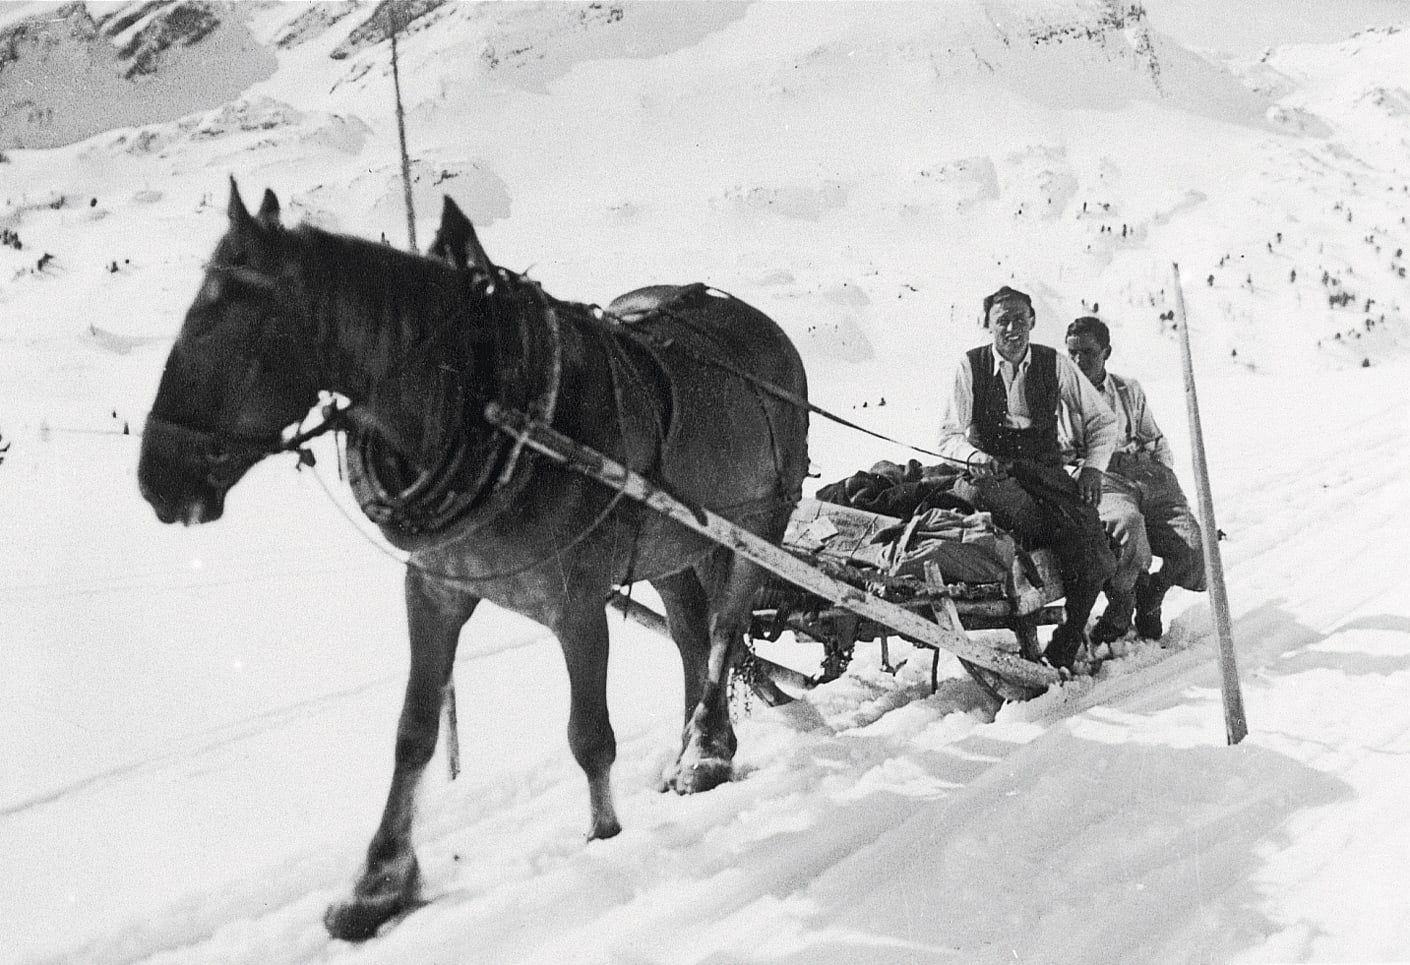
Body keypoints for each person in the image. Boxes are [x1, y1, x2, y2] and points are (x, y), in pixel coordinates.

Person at [938, 287, 1118, 671]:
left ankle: (1068, 639)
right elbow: (948, 436)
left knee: (1093, 547)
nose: (1012, 328)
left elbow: (1103, 421)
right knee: (1025, 515)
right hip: (993, 478)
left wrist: (1092, 468)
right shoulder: (970, 366)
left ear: (1033, 321)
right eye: (1002, 320)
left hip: (1046, 475)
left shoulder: (1055, 364)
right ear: (988, 325)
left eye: (1020, 319)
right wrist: (976, 457)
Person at [1063, 316, 1206, 642]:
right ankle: (1121, 608)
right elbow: (1060, 454)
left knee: (1196, 551)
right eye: (1072, 353)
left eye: (1088, 352)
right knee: (1129, 529)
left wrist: (1165, 480)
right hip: (1103, 477)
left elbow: (1154, 438)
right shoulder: (1060, 398)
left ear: (1106, 353)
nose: (1079, 361)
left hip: (1147, 473)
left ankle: (1152, 596)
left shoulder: (1128, 390)